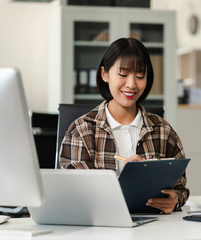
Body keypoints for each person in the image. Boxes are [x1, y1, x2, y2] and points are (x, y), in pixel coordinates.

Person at [59, 37, 189, 214]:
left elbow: (180, 187)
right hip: (100, 228)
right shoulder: (82, 130)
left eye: (140, 76)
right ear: (105, 74)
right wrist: (125, 181)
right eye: (123, 74)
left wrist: (175, 200)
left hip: (155, 229)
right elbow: (74, 193)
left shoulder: (163, 131)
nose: (132, 84)